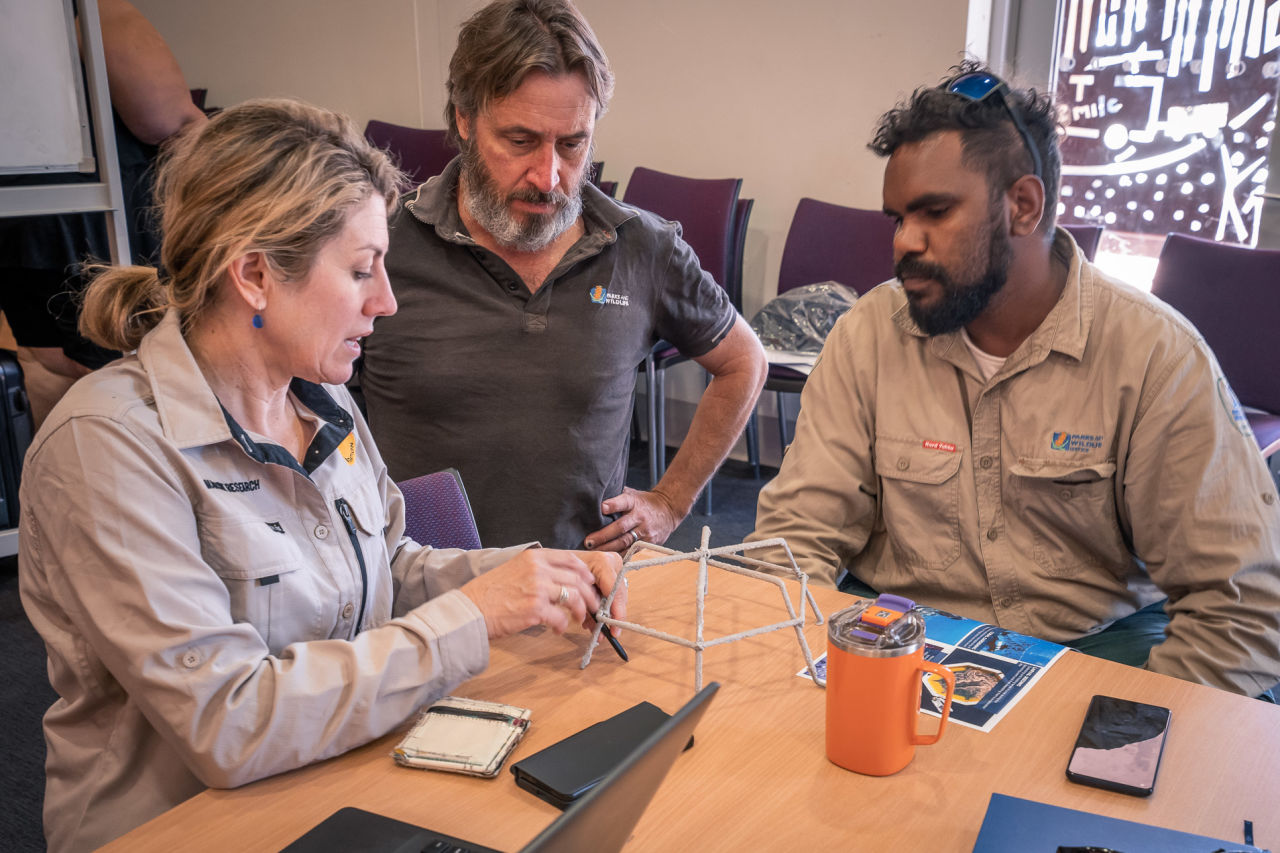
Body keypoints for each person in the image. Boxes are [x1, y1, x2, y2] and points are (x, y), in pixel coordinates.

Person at [18, 98, 626, 853]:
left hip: (334, 789)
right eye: (363, 270)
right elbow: (228, 720)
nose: (387, 301)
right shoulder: (106, 447)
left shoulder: (318, 397)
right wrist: (474, 616)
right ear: (254, 275)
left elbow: (385, 571)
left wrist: (527, 576)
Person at [749, 61, 1280, 698]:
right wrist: (795, 676)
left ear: (1023, 206)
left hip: (1092, 644)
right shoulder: (868, 333)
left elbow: (1236, 608)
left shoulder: (1153, 356)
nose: (903, 243)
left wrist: (1131, 734)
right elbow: (795, 541)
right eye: (896, 218)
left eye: (934, 212)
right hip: (898, 630)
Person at [360, 0, 766, 553]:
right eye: (520, 141)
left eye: (572, 144)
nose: (548, 176)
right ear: (463, 118)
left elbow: (744, 362)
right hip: (421, 608)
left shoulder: (642, 248)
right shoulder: (382, 245)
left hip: (582, 605)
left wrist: (670, 502)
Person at [0, 0, 207, 427]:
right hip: (97, 217)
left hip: (17, 219)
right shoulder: (81, 8)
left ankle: (65, 486)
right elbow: (166, 120)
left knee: (47, 362)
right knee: (138, 365)